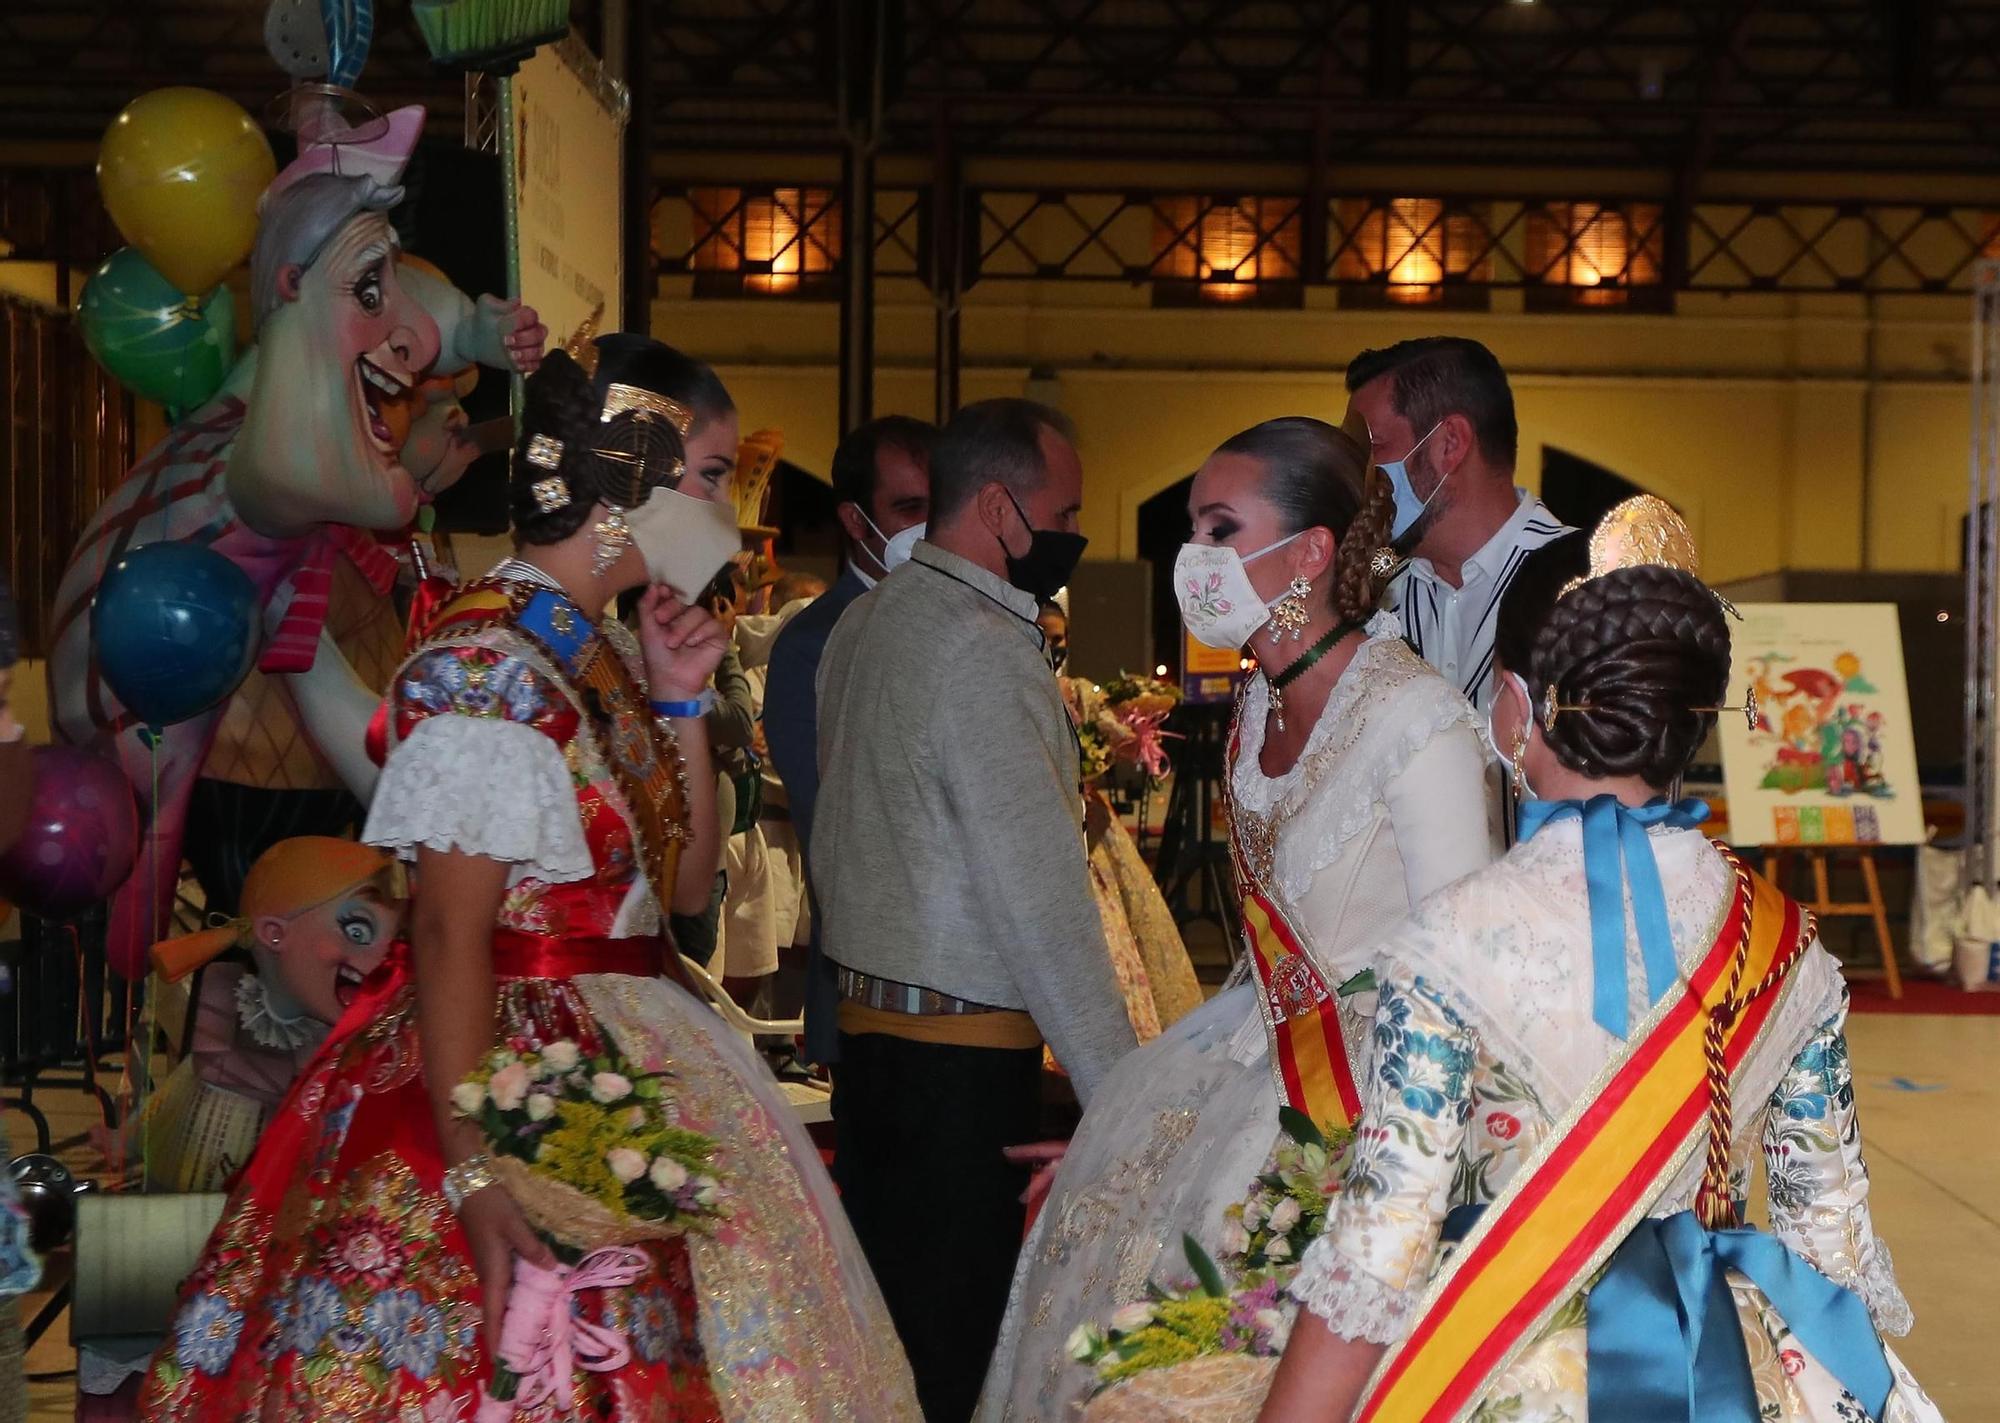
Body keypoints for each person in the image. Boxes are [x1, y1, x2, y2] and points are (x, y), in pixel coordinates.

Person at [138, 338, 919, 1420]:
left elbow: (687, 886)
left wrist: (682, 699)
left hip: (628, 1033)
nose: (724, 509)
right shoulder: (484, 667)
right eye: (707, 476)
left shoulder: (589, 649)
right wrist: (472, 1170)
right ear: (623, 480)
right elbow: (453, 933)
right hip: (499, 1068)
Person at [1258, 499, 1940, 1423]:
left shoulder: (1450, 942)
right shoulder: (1788, 944)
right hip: (1723, 1368)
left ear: (1514, 704)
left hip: (1493, 1350)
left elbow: (1379, 1250)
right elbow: (1830, 1238)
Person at [978, 417, 1499, 1422]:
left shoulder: (1415, 719)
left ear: (1309, 550)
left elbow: (1463, 972)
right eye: (1191, 530)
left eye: (1221, 529)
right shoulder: (1260, 704)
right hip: (1254, 1052)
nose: (1195, 559)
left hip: (1372, 1097)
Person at [815, 398, 1137, 1421]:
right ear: (1001, 510)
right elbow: (1039, 903)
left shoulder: (864, 618)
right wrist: (1125, 1106)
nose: (1075, 534)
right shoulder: (984, 643)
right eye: (1067, 511)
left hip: (864, 1052)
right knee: (957, 1368)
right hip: (959, 1072)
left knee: (885, 1358)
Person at [763, 414, 936, 1067]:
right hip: (868, 988)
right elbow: (834, 826)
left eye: (938, 507)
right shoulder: (813, 644)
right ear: (855, 520)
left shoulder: (968, 624)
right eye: (909, 508)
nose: (929, 526)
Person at [141, 838, 402, 1193]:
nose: (380, 962)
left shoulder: (347, 1029)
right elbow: (203, 1073)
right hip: (209, 1166)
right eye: (357, 932)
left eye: (394, 941)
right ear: (274, 934)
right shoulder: (225, 987)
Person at [1345, 337, 1569, 711]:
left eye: (1373, 449)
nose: (1357, 474)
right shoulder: (1372, 598)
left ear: (1450, 443)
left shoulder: (1588, 585)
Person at [1040, 598, 1205, 1043]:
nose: (1053, 648)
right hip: (1044, 828)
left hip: (1088, 825)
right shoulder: (1021, 693)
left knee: (1114, 928)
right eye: (1045, 638)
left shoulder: (1078, 691)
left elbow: (1122, 738)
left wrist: (1134, 722)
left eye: (1059, 639)